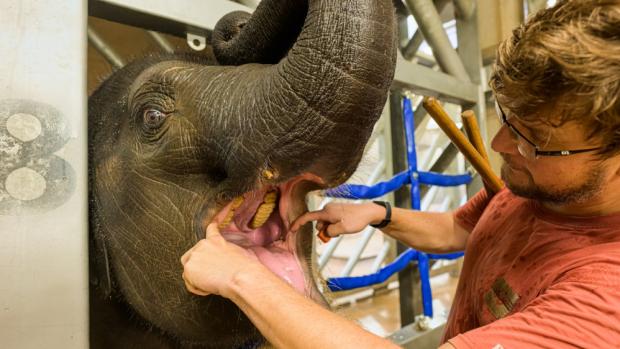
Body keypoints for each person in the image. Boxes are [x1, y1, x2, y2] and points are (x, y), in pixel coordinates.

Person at [181, 1, 620, 348]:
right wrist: (378, 214)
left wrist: (241, 277)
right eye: (509, 118)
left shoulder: (604, 300)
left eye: (533, 139)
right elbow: (459, 229)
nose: (501, 144)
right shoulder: (542, 189)